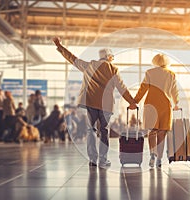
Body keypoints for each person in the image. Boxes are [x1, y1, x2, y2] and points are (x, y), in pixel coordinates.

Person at [53, 37, 137, 167]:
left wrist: (59, 46)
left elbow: (72, 58)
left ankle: (93, 159)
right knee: (104, 131)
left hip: (90, 102)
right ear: (109, 57)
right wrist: (131, 102)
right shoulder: (113, 70)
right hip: (106, 105)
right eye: (112, 57)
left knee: (90, 130)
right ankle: (103, 160)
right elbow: (122, 87)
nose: (113, 59)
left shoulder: (89, 66)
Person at [133, 53, 179, 168]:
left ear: (155, 61)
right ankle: (159, 158)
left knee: (152, 132)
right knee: (162, 132)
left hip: (151, 105)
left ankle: (152, 154)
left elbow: (143, 88)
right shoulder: (171, 74)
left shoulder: (150, 72)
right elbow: (174, 90)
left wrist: (135, 101)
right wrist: (176, 103)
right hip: (165, 105)